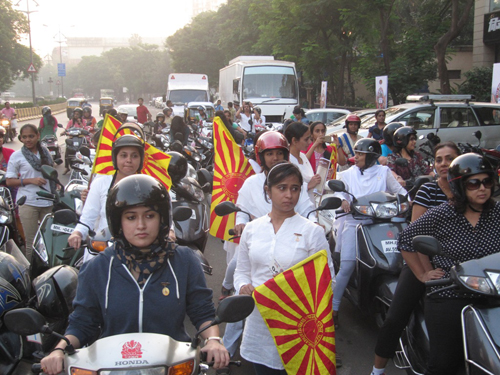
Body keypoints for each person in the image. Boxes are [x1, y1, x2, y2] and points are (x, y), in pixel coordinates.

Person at [40, 174, 229, 375]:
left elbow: (202, 311)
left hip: (172, 366)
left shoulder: (184, 260)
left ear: (162, 219)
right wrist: (59, 350)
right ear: (117, 222)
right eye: (131, 217)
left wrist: (214, 340)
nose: (141, 225)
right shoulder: (98, 267)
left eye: (149, 215)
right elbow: (82, 322)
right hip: (111, 367)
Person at [399, 153, 500, 375]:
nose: (481, 188)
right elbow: (406, 240)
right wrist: (422, 274)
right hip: (451, 293)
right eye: (474, 183)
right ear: (460, 187)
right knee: (444, 364)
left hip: (493, 292)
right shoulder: (442, 214)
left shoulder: (497, 213)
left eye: (486, 181)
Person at [233, 162, 334, 374]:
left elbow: (327, 279)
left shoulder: (312, 232)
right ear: (268, 191)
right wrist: (243, 286)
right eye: (282, 188)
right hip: (260, 320)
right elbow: (241, 271)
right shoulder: (252, 230)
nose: (289, 194)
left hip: (298, 325)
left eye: (295, 188)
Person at [370, 142, 460, 375]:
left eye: (449, 158)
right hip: (421, 261)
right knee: (395, 318)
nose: (443, 164)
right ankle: (377, 370)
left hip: (457, 266)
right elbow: (414, 236)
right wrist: (424, 273)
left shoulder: (468, 191)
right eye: (439, 159)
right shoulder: (428, 191)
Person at [331, 138, 406, 327]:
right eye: (355, 153)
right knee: (347, 266)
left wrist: (409, 202)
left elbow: (400, 192)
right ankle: (334, 308)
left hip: (378, 223)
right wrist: (343, 201)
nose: (355, 157)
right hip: (353, 222)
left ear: (371, 156)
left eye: (360, 154)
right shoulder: (348, 174)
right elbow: (339, 193)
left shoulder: (384, 172)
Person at [67, 134, 150, 258]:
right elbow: (87, 219)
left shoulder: (149, 186)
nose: (129, 160)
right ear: (115, 158)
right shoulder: (100, 184)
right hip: (103, 250)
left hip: (139, 253)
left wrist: (170, 232)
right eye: (123, 155)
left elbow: (161, 218)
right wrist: (77, 233)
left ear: (141, 159)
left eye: (134, 156)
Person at [6, 124, 54, 261]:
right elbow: (9, 181)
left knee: (48, 240)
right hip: (28, 202)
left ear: (38, 136)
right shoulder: (17, 156)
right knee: (31, 242)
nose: (28, 140)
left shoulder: (45, 152)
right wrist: (30, 180)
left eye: (31, 136)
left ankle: (48, 269)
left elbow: (51, 173)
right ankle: (30, 271)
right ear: (20, 138)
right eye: (24, 137)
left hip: (48, 201)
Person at [284, 122, 321, 201]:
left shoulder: (303, 156)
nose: (309, 142)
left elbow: (311, 180)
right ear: (294, 140)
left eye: (310, 139)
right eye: (306, 139)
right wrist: (308, 186)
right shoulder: (286, 160)